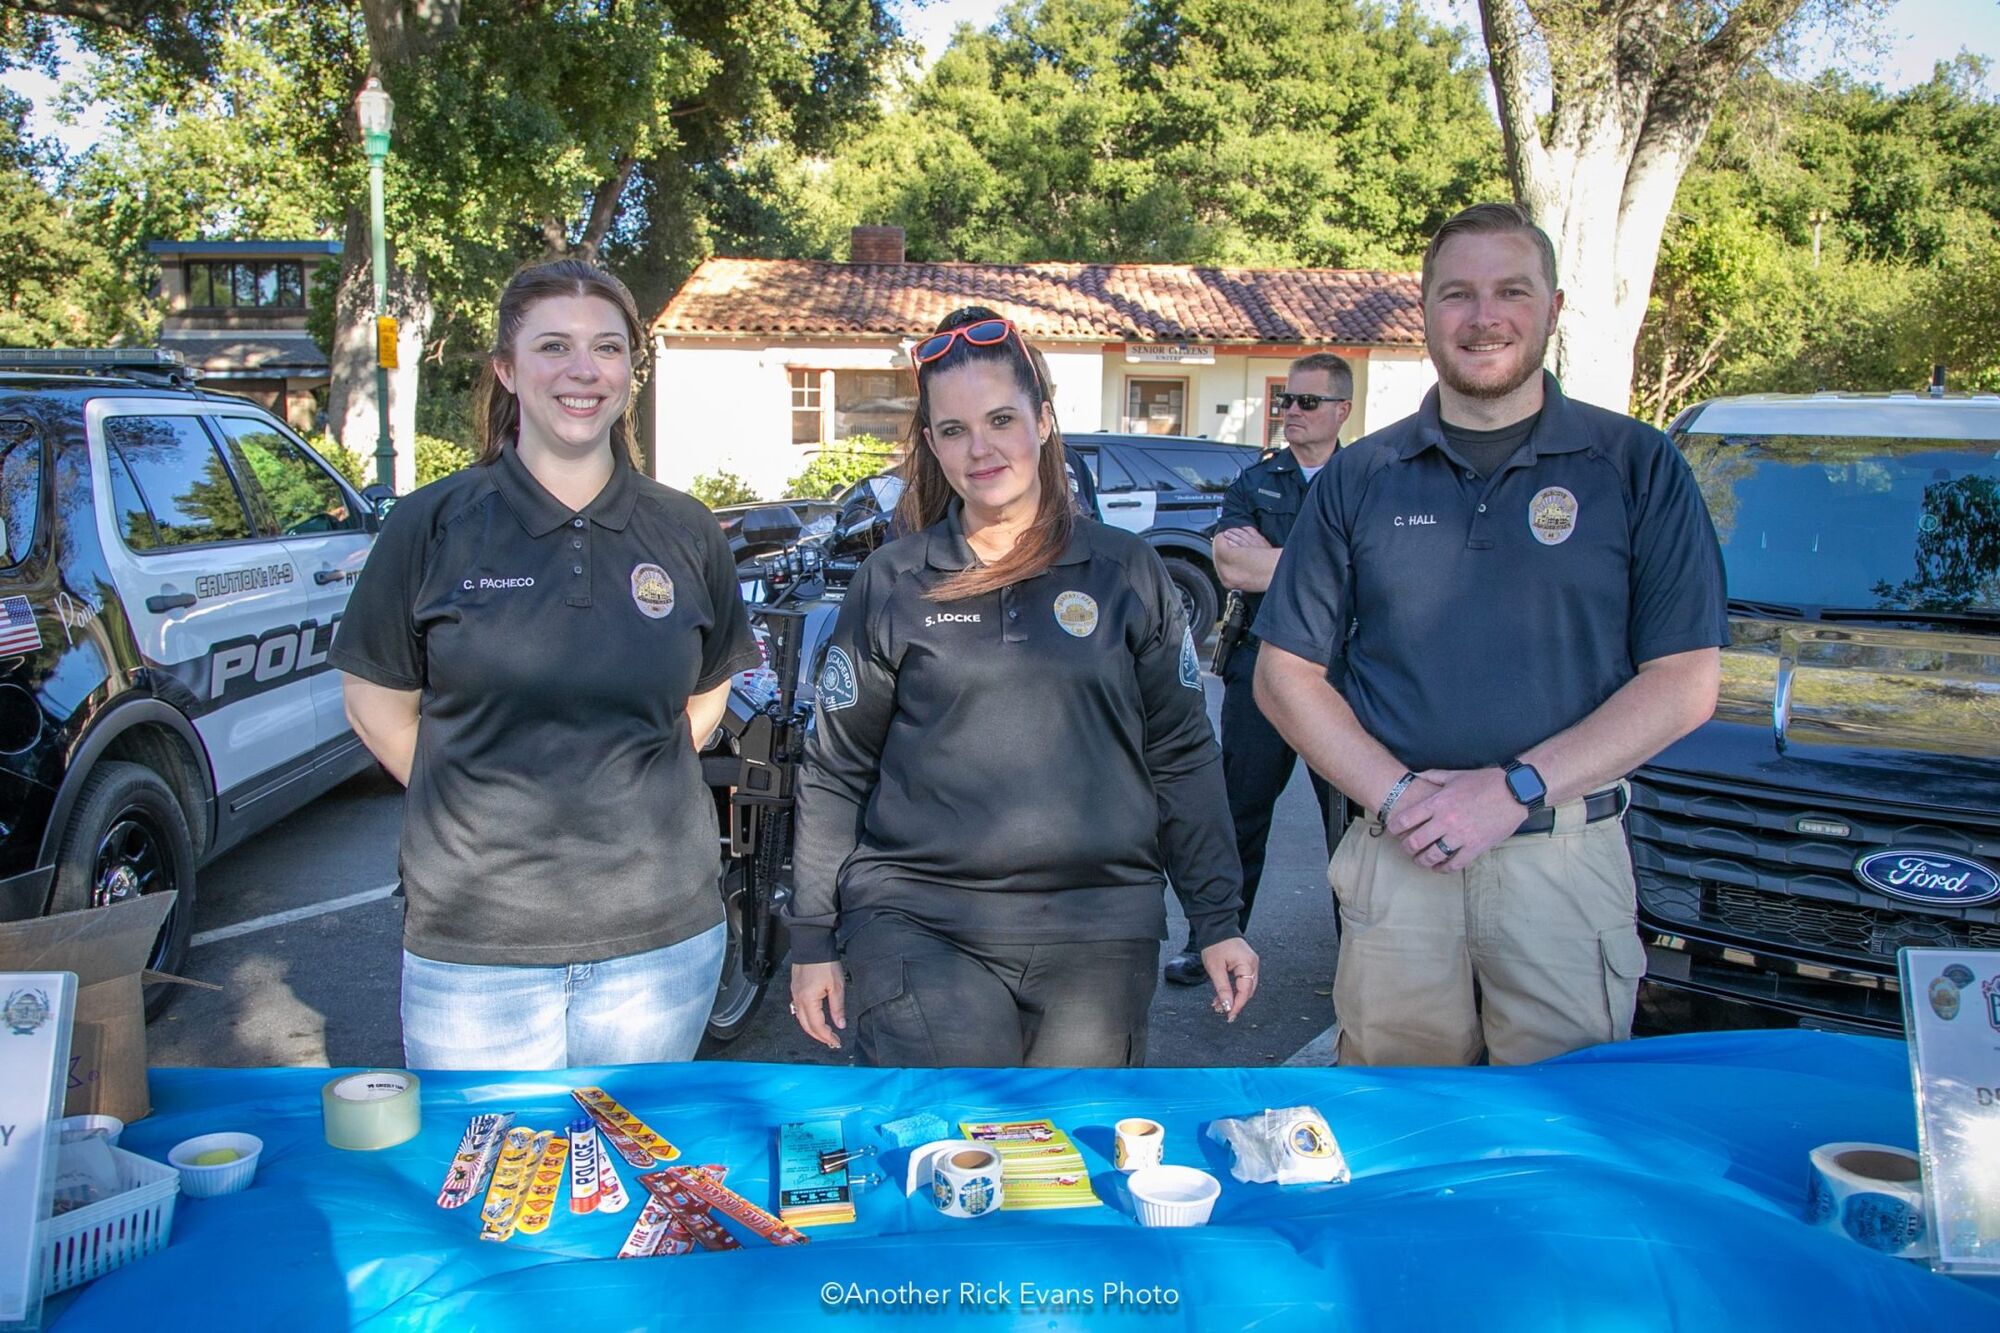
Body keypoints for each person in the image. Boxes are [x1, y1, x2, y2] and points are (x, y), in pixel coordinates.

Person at [1252, 203, 1728, 1066]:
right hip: (1399, 858)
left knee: (1561, 1141)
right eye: (1457, 294)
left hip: (1563, 856)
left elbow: (1685, 680)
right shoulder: (1361, 476)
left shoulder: (1635, 465)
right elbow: (1285, 674)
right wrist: (1398, 797)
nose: (1484, 316)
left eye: (1512, 290)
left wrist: (1512, 789)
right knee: (1395, 1135)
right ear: (1426, 313)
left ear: (1552, 307)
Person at [787, 305, 1258, 1067]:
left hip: (1100, 927)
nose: (981, 448)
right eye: (953, 429)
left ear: (1043, 421)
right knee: (951, 1156)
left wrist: (1217, 915)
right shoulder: (894, 580)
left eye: (1001, 418)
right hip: (921, 920)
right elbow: (837, 768)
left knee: (1068, 1168)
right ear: (931, 444)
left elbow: (1181, 752)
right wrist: (812, 936)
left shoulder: (1126, 571)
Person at [330, 258, 761, 1070]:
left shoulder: (685, 530)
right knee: (490, 1192)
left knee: (633, 1185)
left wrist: (634, 773)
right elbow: (376, 699)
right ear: (507, 369)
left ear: (629, 371)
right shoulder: (434, 524)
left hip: (660, 944)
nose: (582, 370)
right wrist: (478, 795)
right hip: (475, 951)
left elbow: (708, 691)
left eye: (605, 348)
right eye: (553, 346)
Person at [1163, 353, 1349, 986]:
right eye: (1286, 402)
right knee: (1237, 808)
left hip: (1344, 676)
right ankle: (1213, 939)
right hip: (1259, 667)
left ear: (1342, 411)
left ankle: (1359, 945)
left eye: (1307, 402)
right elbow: (1234, 568)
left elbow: (1378, 572)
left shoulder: (1368, 480)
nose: (1291, 413)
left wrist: (1281, 559)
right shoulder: (1257, 480)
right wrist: (1332, 564)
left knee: (1347, 818)